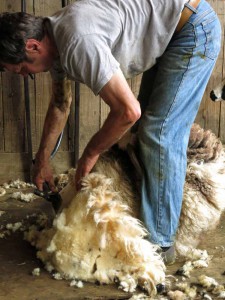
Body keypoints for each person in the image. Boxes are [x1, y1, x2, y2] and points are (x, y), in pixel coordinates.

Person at [0, 0, 221, 263]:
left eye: (24, 70)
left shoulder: (77, 42)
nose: (25, 75)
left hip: (192, 29)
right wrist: (42, 161)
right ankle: (148, 215)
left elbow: (128, 111)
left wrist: (89, 154)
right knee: (144, 131)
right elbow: (60, 104)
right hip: (172, 33)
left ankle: (160, 244)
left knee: (158, 132)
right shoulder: (56, 43)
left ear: (33, 46)